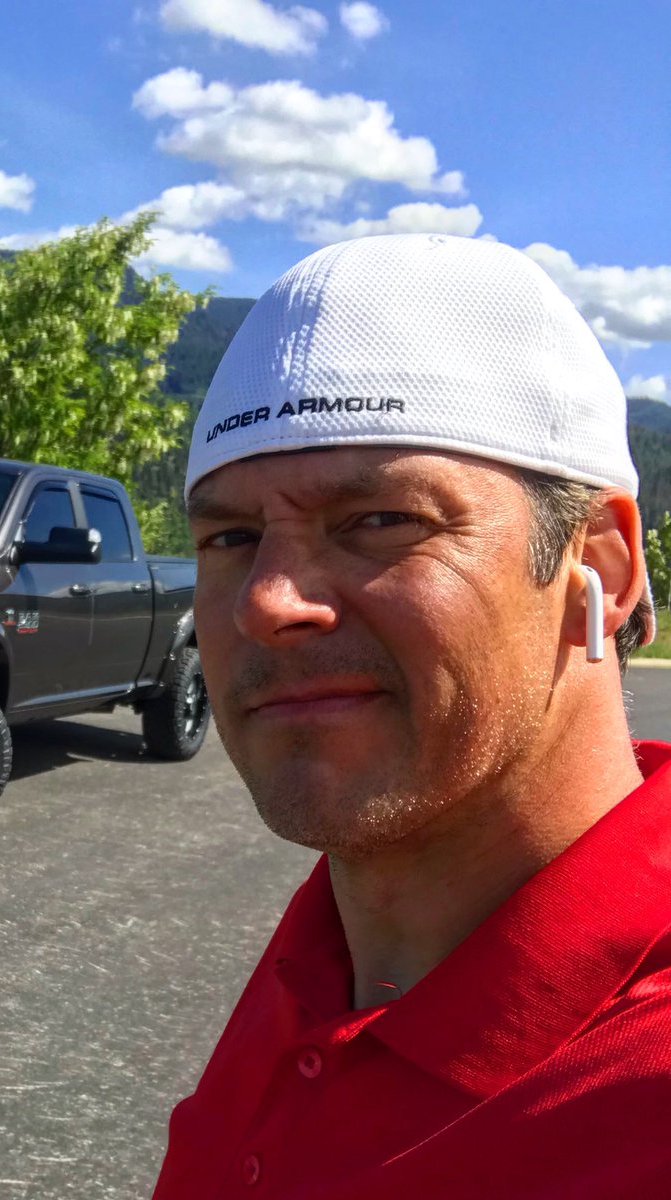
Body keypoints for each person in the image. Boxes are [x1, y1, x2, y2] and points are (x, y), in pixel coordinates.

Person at [151, 233, 671, 1199]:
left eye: (381, 520)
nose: (266, 599)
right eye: (230, 535)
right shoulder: (330, 955)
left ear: (596, 566)